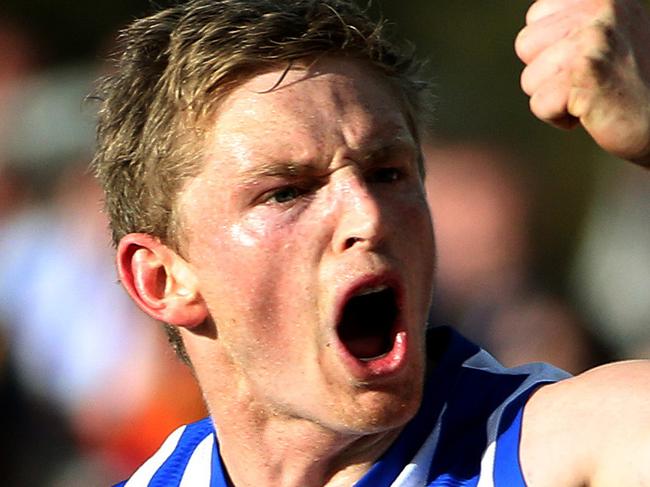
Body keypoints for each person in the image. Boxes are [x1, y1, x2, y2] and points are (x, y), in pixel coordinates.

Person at [91, 0, 650, 485]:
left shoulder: (562, 446)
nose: (369, 216)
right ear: (163, 280)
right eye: (287, 192)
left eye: (388, 173)